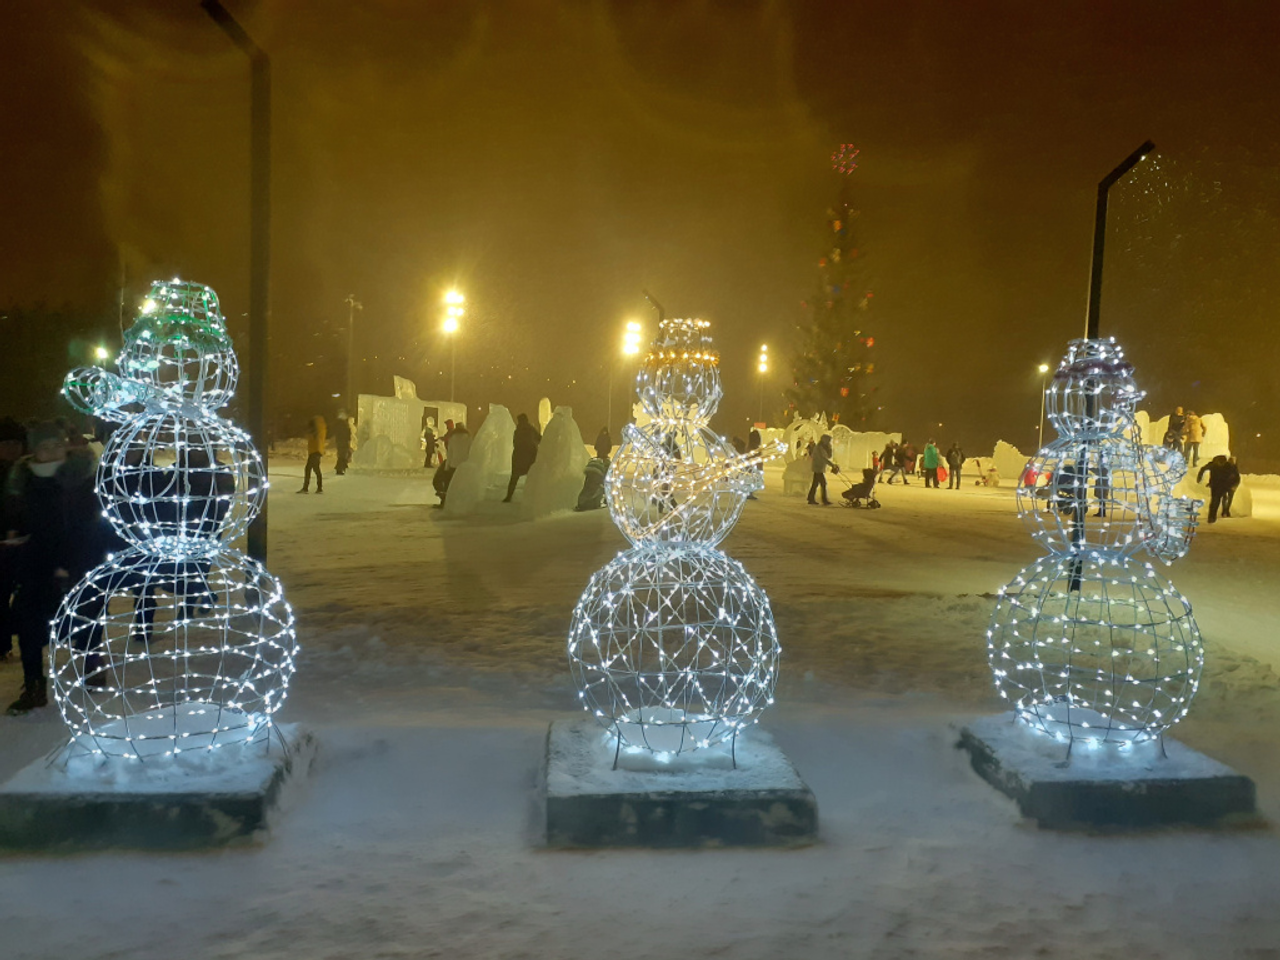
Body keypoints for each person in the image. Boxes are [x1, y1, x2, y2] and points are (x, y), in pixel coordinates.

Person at [4, 422, 101, 714]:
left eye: (57, 444)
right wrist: (12, 534)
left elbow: (89, 523)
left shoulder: (79, 478)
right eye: (45, 446)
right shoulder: (21, 481)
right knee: (29, 624)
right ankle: (33, 686)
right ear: (34, 450)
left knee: (85, 617)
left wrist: (73, 563)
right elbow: (14, 517)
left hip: (76, 561)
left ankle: (92, 664)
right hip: (34, 563)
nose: (52, 450)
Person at [0, 417, 24, 661]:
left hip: (26, 544)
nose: (11, 448)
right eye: (6, 443)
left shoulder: (27, 471)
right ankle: (3, 644)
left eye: (15, 443)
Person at [504, 413, 542, 502]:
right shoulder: (531, 429)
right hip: (530, 456)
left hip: (519, 457)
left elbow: (515, 443)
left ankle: (509, 496)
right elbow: (540, 439)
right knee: (533, 477)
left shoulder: (518, 431)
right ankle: (534, 497)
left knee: (514, 478)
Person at [433, 420, 470, 507]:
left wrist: (447, 467)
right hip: (464, 466)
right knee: (462, 485)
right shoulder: (469, 438)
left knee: (448, 484)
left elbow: (450, 453)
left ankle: (445, 501)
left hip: (453, 465)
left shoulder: (453, 438)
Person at [1197, 454, 1235, 523]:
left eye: (1222, 464)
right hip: (1215, 485)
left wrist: (1231, 485)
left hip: (1222, 485)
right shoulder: (1213, 465)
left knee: (1216, 500)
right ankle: (1211, 516)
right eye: (1220, 463)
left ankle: (1212, 516)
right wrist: (1199, 477)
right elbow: (1203, 469)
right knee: (1214, 500)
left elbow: (1233, 475)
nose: (1220, 465)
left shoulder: (1227, 466)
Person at [575, 441, 611, 511]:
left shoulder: (594, 462)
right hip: (597, 497)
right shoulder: (607, 464)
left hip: (586, 498)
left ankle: (584, 502)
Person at [807, 433, 838, 505]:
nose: (829, 442)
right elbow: (823, 458)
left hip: (819, 468)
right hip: (818, 468)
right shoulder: (819, 448)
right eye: (828, 440)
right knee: (823, 484)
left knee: (815, 484)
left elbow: (829, 456)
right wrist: (832, 465)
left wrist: (830, 449)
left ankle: (811, 498)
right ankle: (823, 500)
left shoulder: (823, 447)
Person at [299, 414, 326, 494]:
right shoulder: (321, 429)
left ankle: (307, 488)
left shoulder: (316, 432)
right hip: (317, 451)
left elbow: (312, 439)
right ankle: (318, 488)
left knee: (309, 469)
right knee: (315, 469)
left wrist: (309, 434)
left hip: (314, 451)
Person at [334, 409, 352, 476]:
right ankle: (340, 468)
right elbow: (344, 433)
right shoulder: (342, 424)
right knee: (342, 455)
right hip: (342, 441)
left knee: (344, 454)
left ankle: (342, 467)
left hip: (342, 441)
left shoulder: (341, 423)